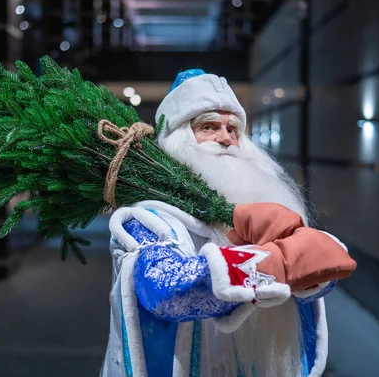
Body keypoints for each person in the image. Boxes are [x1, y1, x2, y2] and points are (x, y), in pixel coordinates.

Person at [100, 69, 356, 377]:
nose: (224, 138)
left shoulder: (257, 203)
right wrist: (274, 263)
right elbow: (168, 291)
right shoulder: (148, 217)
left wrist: (309, 257)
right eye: (208, 126)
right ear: (180, 137)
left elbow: (304, 293)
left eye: (232, 129)